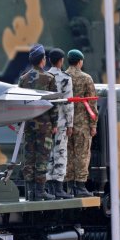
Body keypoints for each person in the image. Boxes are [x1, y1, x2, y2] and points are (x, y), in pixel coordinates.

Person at [18, 44, 58, 201]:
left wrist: (20, 122)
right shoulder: (49, 78)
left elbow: (18, 103)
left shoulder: (23, 79)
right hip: (45, 126)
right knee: (42, 157)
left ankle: (30, 192)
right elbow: (54, 104)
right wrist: (55, 124)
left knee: (29, 157)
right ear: (43, 59)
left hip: (28, 124)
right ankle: (40, 192)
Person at [65, 49, 98, 197]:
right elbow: (91, 104)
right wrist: (93, 124)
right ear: (79, 62)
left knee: (67, 155)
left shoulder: (62, 77)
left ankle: (69, 187)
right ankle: (80, 187)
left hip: (65, 124)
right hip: (82, 124)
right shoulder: (86, 78)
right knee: (82, 155)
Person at [46, 48, 74, 199]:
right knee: (61, 153)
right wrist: (70, 124)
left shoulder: (45, 76)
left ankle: (49, 188)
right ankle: (59, 188)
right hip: (62, 122)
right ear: (61, 61)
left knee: (49, 154)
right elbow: (68, 103)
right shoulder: (65, 78)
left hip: (47, 122)